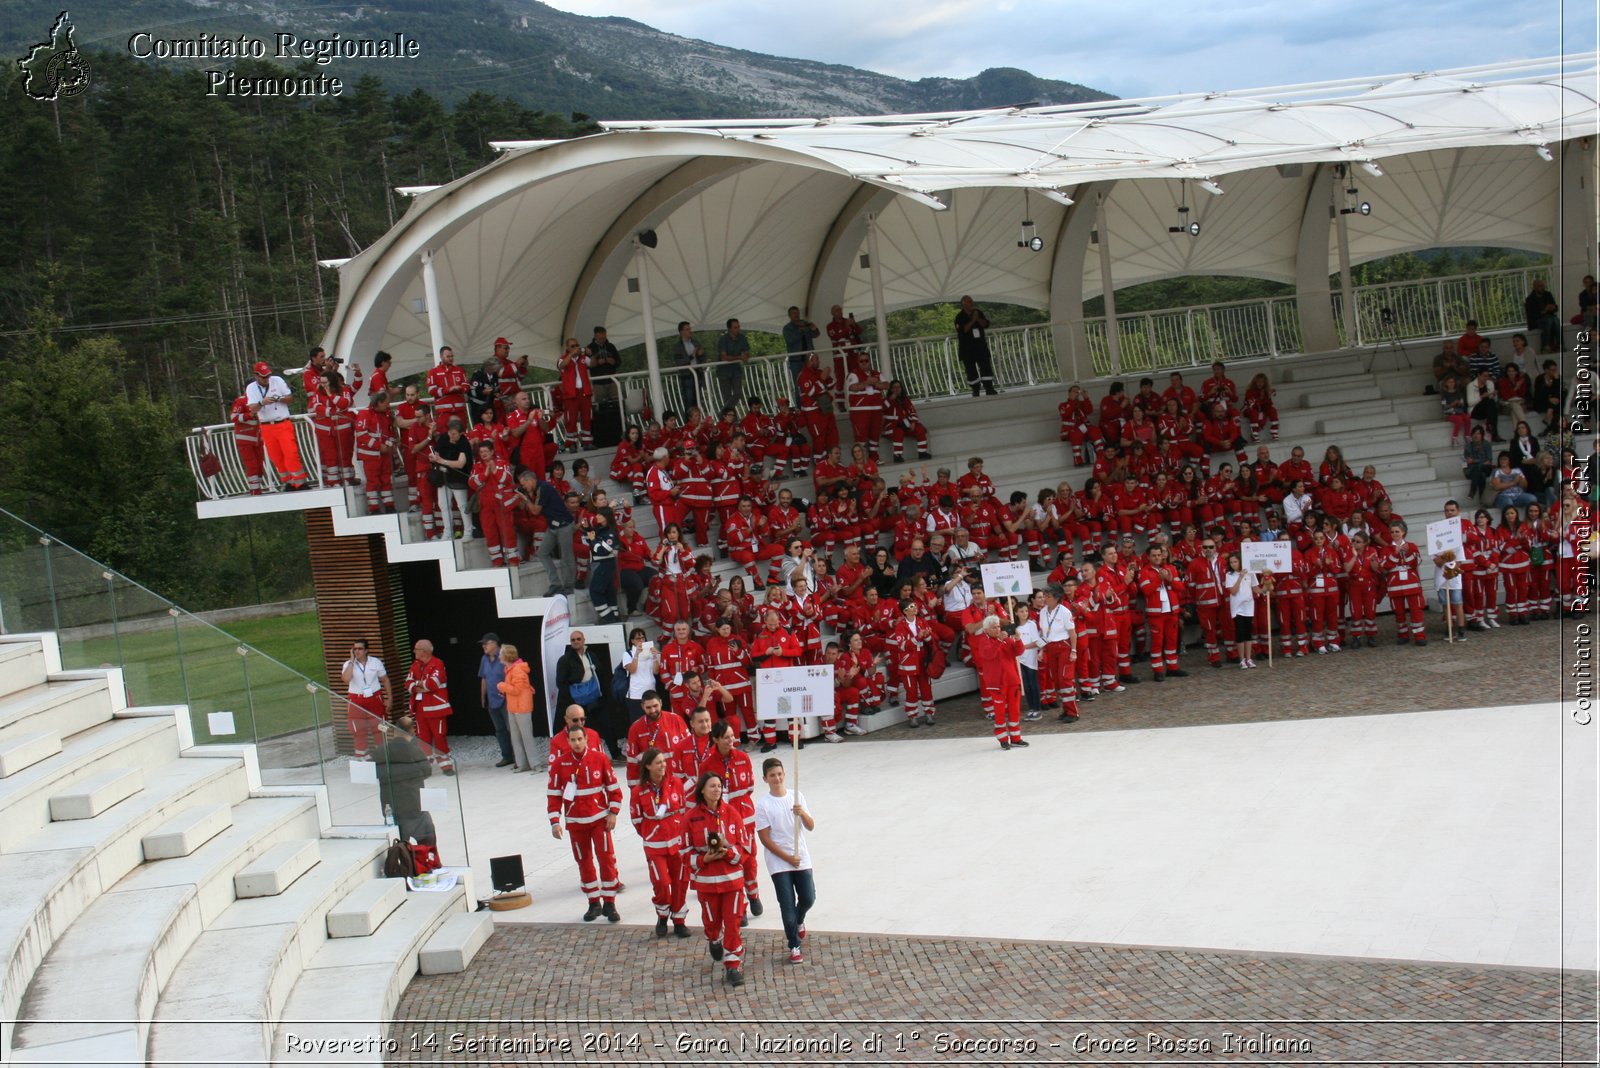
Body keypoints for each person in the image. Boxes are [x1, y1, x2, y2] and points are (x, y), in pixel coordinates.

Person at [547, 724, 623, 922]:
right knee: (584, 862)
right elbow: (554, 794)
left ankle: (610, 903)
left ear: (586, 739)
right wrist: (555, 822)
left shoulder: (600, 759)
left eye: (580, 739)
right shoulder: (560, 763)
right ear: (568, 741)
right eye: (573, 740)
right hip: (575, 823)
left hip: (600, 821)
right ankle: (593, 903)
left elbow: (614, 789)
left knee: (606, 860)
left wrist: (613, 813)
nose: (577, 743)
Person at [684, 771, 752, 986]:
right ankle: (714, 939)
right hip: (707, 884)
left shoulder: (732, 813)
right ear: (702, 789)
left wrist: (729, 853)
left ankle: (733, 965)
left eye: (719, 786)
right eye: (712, 786)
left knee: (733, 923)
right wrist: (704, 858)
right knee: (712, 923)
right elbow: (683, 851)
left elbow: (745, 848)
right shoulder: (690, 817)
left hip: (732, 882)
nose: (717, 789)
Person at [754, 757, 815, 965]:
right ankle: (794, 944)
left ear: (784, 774)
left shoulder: (796, 796)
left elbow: (810, 825)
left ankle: (799, 920)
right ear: (765, 778)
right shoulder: (763, 805)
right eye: (772, 775)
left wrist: (802, 813)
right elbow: (764, 838)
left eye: (779, 774)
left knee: (808, 897)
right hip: (779, 862)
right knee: (786, 905)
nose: (777, 778)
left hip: (801, 857)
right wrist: (787, 857)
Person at [704, 720, 763, 917]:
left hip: (745, 818)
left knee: (749, 859)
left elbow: (749, 787)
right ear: (715, 739)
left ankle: (753, 894)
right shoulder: (708, 763)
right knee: (731, 860)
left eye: (732, 736)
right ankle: (741, 906)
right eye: (726, 737)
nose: (731, 740)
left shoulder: (743, 758)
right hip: (723, 820)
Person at [631, 747, 690, 938]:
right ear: (647, 766)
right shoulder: (639, 791)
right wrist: (651, 833)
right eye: (658, 762)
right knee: (662, 883)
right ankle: (663, 916)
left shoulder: (676, 784)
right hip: (654, 846)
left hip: (677, 844)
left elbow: (683, 810)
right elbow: (637, 819)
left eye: (664, 761)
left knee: (680, 883)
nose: (663, 765)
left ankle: (679, 921)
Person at [245, 361, 309, 490]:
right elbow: (252, 409)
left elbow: (290, 399)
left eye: (268, 375)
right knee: (276, 456)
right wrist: (262, 402)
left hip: (282, 423)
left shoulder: (277, 380)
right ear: (256, 375)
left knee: (291, 453)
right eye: (263, 376)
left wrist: (278, 398)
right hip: (266, 426)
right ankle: (289, 482)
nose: (267, 378)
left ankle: (300, 482)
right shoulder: (251, 388)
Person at [373, 714, 435, 846]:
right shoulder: (415, 750)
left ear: (394, 730)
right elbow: (427, 772)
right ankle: (427, 864)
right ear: (412, 731)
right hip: (414, 807)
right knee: (428, 840)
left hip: (391, 808)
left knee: (399, 847)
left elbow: (374, 773)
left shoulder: (380, 751)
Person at [556, 631, 616, 758]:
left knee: (607, 725)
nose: (576, 641)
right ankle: (585, 756)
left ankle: (615, 753)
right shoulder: (565, 659)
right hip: (577, 701)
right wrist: (572, 700)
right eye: (573, 640)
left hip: (595, 698)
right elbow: (560, 682)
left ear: (583, 640)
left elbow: (600, 674)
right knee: (580, 730)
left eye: (578, 639)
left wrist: (604, 694)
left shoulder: (591, 655)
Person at [972, 615, 1027, 750]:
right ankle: (1002, 738)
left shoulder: (1005, 639)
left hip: (1012, 680)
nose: (997, 629)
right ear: (986, 630)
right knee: (1000, 711)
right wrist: (1000, 641)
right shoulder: (984, 641)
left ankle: (1015, 738)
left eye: (998, 627)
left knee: (1014, 710)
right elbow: (989, 654)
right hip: (996, 683)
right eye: (994, 627)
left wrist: (1018, 639)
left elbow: (1018, 651)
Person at [405, 639, 454, 774]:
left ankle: (446, 766)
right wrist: (419, 686)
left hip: (435, 708)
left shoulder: (438, 664)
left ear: (424, 651)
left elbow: (433, 683)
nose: (414, 651)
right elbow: (408, 683)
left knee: (439, 736)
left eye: (416, 649)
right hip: (419, 708)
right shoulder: (415, 665)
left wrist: (418, 684)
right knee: (422, 739)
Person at [339, 639, 391, 761]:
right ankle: (362, 758)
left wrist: (390, 698)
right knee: (358, 730)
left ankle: (383, 758)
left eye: (360, 649)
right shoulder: (348, 664)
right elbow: (346, 679)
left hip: (375, 698)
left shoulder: (375, 662)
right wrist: (352, 661)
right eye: (355, 649)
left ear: (366, 650)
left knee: (379, 729)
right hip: (356, 700)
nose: (357, 651)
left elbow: (385, 680)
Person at [528, 469, 577, 596]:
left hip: (564, 525)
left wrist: (525, 498)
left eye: (524, 484)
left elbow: (535, 511)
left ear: (530, 481)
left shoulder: (543, 488)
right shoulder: (538, 489)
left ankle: (569, 585)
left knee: (566, 556)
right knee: (542, 553)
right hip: (553, 527)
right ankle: (555, 583)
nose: (524, 487)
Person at [495, 643, 539, 772]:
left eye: (501, 654)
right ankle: (522, 764)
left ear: (506, 655)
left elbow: (517, 690)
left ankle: (535, 764)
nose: (499, 656)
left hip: (522, 707)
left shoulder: (518, 669)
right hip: (514, 707)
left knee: (526, 737)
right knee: (516, 738)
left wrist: (502, 686)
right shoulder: (510, 669)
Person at [428, 418, 474, 540]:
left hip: (458, 478)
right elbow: (437, 453)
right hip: (443, 477)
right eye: (450, 433)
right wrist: (434, 457)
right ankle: (447, 532)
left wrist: (442, 461)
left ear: (461, 433)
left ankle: (468, 532)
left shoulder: (464, 443)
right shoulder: (444, 438)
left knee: (462, 505)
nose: (451, 436)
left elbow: (460, 463)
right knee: (443, 504)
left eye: (454, 434)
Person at [477, 632, 513, 768]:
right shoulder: (484, 659)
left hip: (506, 699)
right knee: (499, 730)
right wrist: (482, 697)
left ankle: (519, 757)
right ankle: (507, 756)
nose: (484, 646)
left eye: (485, 644)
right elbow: (484, 678)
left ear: (494, 643)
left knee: (512, 728)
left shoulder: (505, 656)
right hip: (491, 700)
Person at [953, 295, 997, 396]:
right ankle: (975, 390)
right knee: (970, 370)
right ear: (963, 304)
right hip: (967, 349)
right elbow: (964, 330)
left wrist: (977, 318)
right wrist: (973, 319)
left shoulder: (978, 312)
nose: (971, 303)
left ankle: (989, 388)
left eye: (971, 301)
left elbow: (985, 324)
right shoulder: (959, 316)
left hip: (980, 346)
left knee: (986, 366)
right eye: (969, 302)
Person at [557, 337, 596, 449]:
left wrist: (591, 354)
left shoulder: (583, 358)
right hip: (571, 394)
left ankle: (587, 442)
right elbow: (561, 366)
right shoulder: (563, 359)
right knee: (571, 419)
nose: (576, 348)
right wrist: (571, 354)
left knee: (586, 417)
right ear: (567, 348)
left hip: (584, 392)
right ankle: (571, 443)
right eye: (572, 346)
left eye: (577, 345)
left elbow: (593, 364)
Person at [1223, 553, 1258, 669]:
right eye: (1231, 562)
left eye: (1235, 562)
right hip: (1237, 607)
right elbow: (1233, 591)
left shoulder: (1250, 572)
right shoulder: (1229, 575)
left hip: (1248, 605)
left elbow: (1255, 587)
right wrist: (1240, 577)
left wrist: (1265, 589)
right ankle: (1241, 659)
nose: (1233, 564)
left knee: (1248, 632)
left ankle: (1249, 658)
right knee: (1240, 632)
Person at [586, 506, 620, 624]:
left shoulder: (610, 533)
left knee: (595, 591)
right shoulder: (601, 529)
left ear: (606, 517)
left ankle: (608, 617)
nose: (597, 516)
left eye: (600, 515)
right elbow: (594, 536)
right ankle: (615, 615)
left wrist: (592, 540)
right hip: (603, 564)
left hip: (605, 564)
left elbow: (602, 551)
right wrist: (587, 530)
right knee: (608, 591)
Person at [426, 346, 471, 434]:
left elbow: (467, 385)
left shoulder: (459, 370)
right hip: (444, 413)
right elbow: (431, 390)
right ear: (441, 357)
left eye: (452, 356)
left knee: (462, 435)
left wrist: (460, 388)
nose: (451, 358)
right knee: (445, 437)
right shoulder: (433, 372)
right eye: (448, 356)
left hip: (460, 411)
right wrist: (448, 390)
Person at [1013, 604, 1043, 720]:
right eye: (1021, 611)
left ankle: (1037, 709)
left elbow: (1036, 642)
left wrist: (1022, 647)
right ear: (1016, 613)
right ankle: (1031, 708)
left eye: (1026, 611)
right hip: (1019, 660)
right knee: (1026, 686)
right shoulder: (1014, 627)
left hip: (1030, 659)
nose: (1024, 613)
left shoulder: (1032, 625)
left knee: (1033, 684)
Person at [782, 306, 820, 396]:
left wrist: (814, 328)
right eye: (794, 313)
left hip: (809, 359)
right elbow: (790, 340)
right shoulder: (787, 328)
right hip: (796, 361)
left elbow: (816, 334)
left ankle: (814, 405)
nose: (796, 315)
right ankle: (800, 408)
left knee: (813, 381)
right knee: (799, 385)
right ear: (789, 315)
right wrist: (800, 331)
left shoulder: (805, 324)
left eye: (798, 313)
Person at [715, 318, 750, 403]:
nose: (738, 329)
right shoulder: (723, 339)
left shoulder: (742, 338)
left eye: (738, 327)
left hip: (736, 370)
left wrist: (745, 356)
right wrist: (739, 357)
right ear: (729, 329)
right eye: (735, 327)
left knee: (738, 393)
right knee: (727, 396)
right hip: (724, 372)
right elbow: (724, 357)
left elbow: (747, 352)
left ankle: (726, 413)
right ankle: (728, 414)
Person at [671, 321, 704, 413]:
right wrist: (692, 355)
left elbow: (701, 354)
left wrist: (700, 354)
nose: (690, 331)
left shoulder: (695, 342)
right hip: (687, 375)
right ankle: (688, 423)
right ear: (681, 332)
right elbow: (679, 362)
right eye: (687, 329)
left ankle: (698, 420)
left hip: (697, 372)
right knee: (689, 400)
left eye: (690, 329)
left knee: (697, 399)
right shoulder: (678, 346)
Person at [1524, 278, 1561, 352]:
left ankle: (1559, 344)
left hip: (1549, 317)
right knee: (1548, 321)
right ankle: (1545, 346)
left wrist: (1553, 307)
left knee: (1556, 320)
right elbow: (1532, 315)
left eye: (1543, 286)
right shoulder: (1530, 299)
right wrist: (1545, 310)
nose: (1542, 288)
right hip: (1537, 320)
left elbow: (1555, 308)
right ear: (1534, 287)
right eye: (1540, 286)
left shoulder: (1548, 294)